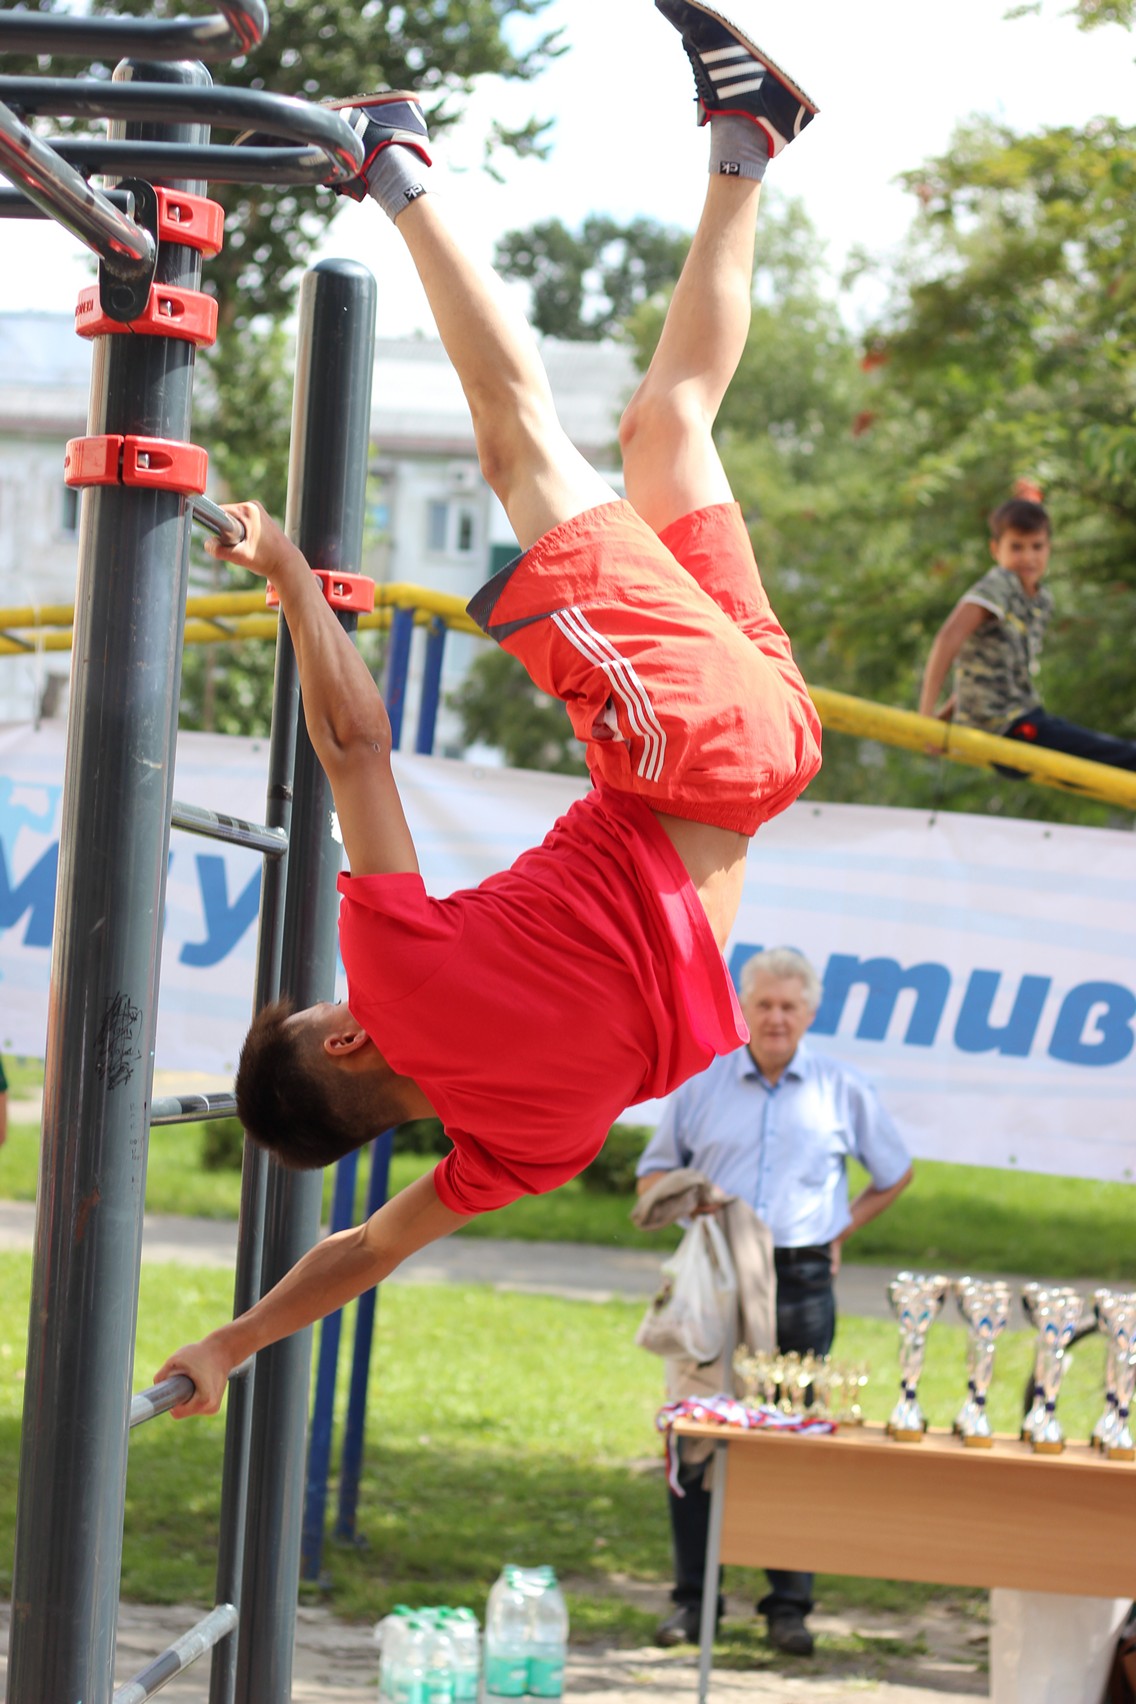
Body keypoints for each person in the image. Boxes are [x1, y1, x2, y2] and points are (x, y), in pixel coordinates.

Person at [156, 0, 823, 1417]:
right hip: (682, 742)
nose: (342, 1001)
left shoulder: (510, 1150)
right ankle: (399, 168)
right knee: (523, 450)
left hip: (745, 749)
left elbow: (362, 1251)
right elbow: (352, 742)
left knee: (667, 428)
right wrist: (288, 580)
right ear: (342, 1041)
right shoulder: (396, 984)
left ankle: (744, 136)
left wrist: (231, 1344)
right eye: (327, 1010)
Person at [636, 947, 912, 1657]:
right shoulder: (701, 1084)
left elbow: (894, 1172)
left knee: (792, 1443)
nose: (777, 1018)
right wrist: (686, 1198)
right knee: (696, 1438)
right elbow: (652, 1172)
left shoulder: (841, 1089)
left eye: (790, 1006)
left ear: (810, 1013)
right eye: (764, 1005)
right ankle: (693, 1603)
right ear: (743, 1009)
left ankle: (788, 1609)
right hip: (716, 1282)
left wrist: (838, 1230)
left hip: (802, 1283)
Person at [918, 493, 1136, 770]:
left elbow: (983, 670)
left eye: (1037, 546)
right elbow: (948, 639)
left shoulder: (1040, 600)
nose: (1028, 557)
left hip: (1022, 717)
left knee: (1094, 751)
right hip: (1006, 727)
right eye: (1016, 547)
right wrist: (925, 721)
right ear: (996, 550)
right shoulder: (1000, 584)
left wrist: (948, 713)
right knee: (1117, 754)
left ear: (1049, 549)